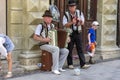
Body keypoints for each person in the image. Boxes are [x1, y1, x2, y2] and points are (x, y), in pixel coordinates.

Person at [33, 10, 69, 75]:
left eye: (50, 17)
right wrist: (44, 40)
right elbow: (35, 37)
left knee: (65, 51)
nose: (49, 19)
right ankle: (54, 69)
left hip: (52, 45)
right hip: (43, 45)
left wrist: (66, 38)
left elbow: (58, 35)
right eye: (47, 17)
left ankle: (59, 67)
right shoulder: (40, 26)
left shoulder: (53, 26)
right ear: (44, 18)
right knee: (56, 49)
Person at [62, 0, 90, 69]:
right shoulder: (66, 14)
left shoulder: (79, 13)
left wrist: (80, 21)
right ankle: (70, 64)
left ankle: (83, 64)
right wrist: (72, 22)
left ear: (75, 6)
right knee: (69, 49)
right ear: (69, 7)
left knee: (80, 48)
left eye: (73, 6)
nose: (72, 7)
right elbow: (65, 25)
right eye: (71, 6)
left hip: (78, 33)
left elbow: (83, 23)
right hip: (70, 33)